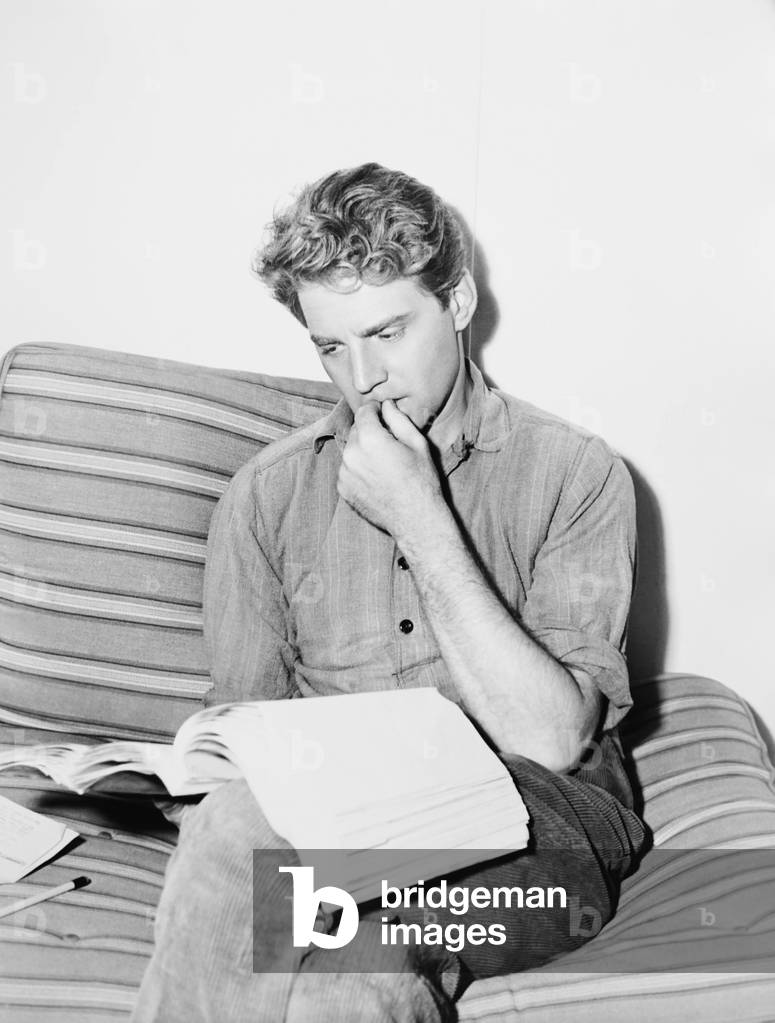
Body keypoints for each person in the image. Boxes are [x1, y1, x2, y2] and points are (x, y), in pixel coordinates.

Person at [132, 162, 647, 1022]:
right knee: (308, 912)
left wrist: (420, 517)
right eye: (332, 346)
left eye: (387, 331)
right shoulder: (264, 496)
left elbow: (551, 736)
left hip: (535, 815)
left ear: (458, 301)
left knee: (336, 923)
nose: (361, 375)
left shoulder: (576, 473)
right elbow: (244, 754)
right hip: (340, 808)